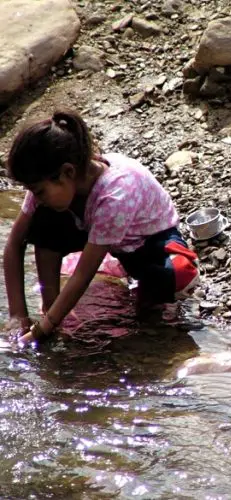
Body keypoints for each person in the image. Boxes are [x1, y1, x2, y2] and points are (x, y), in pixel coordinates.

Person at [3, 109, 199, 345]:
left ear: (68, 172)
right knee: (43, 220)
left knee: (170, 278)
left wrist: (40, 332)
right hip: (103, 233)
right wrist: (18, 316)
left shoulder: (114, 195)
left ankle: (54, 318)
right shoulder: (54, 184)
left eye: (39, 191)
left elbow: (83, 275)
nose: (36, 196)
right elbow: (14, 245)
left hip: (149, 242)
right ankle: (49, 305)